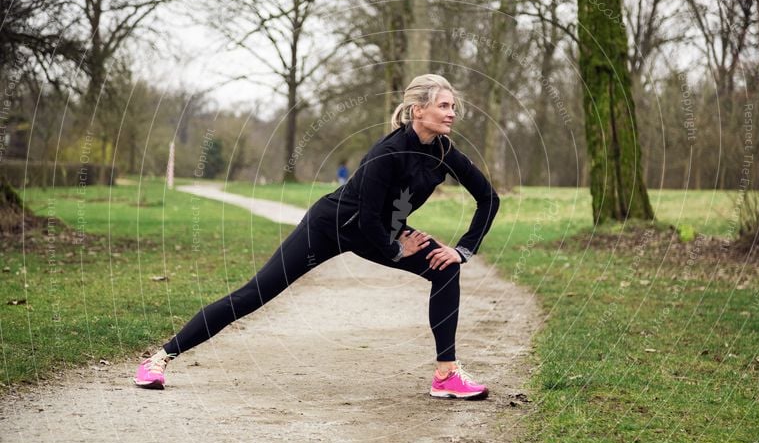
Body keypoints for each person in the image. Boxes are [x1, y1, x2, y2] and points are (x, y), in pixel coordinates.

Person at [135, 74, 500, 399]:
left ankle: (446, 374)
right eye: (443, 105)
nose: (451, 113)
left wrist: (463, 250)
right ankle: (159, 359)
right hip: (331, 227)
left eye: (453, 106)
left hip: (379, 230)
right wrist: (395, 248)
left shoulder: (444, 152)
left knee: (445, 266)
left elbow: (488, 198)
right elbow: (368, 218)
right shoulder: (386, 153)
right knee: (254, 294)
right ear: (418, 111)